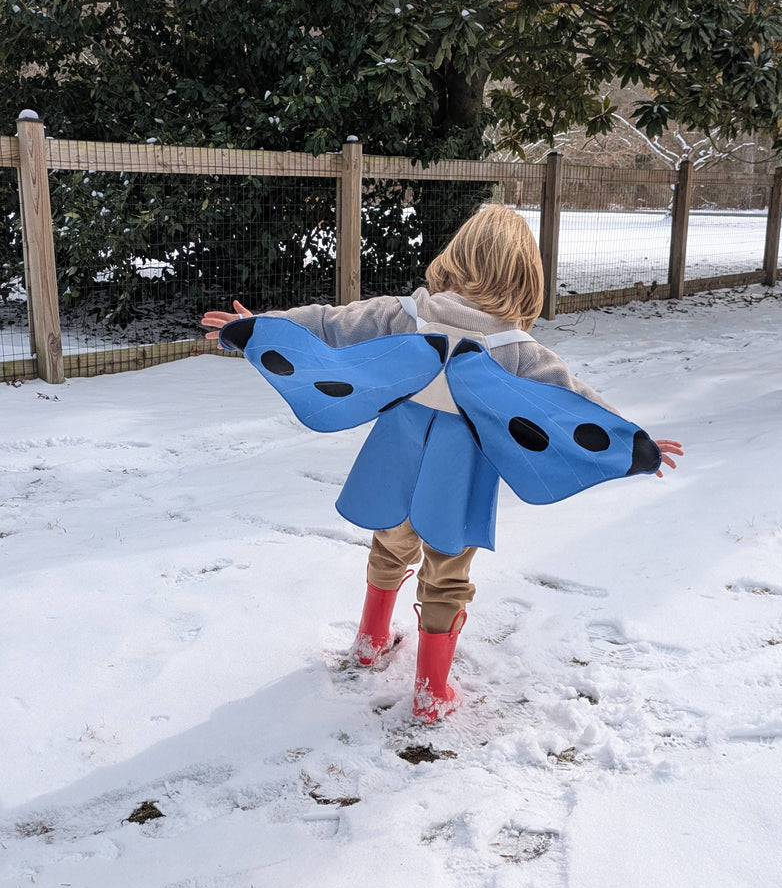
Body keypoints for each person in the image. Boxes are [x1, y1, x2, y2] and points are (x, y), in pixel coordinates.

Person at [202, 204, 682, 722]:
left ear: (456, 256)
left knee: (390, 543)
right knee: (448, 572)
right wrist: (632, 446)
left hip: (395, 458)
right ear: (524, 276)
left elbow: (327, 325)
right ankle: (431, 694)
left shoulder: (404, 314)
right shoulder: (517, 350)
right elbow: (571, 406)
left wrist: (259, 328)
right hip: (460, 476)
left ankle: (369, 641)